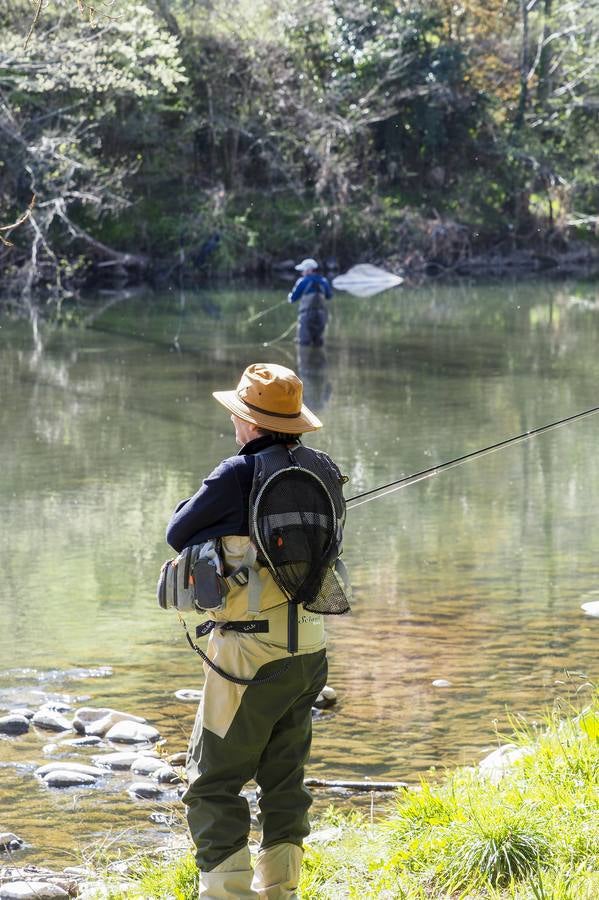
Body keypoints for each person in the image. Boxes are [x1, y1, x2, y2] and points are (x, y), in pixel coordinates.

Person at [165, 363, 347, 899]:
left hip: (249, 654)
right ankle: (280, 891)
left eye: (237, 415)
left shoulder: (235, 473)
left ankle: (227, 894)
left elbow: (179, 531)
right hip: (310, 649)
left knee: (211, 782)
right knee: (284, 777)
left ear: (247, 421)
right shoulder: (326, 471)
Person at [288, 258, 332, 347]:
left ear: (309, 270)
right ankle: (318, 359)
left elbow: (292, 299)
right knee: (318, 343)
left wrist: (289, 296)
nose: (302, 273)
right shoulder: (324, 281)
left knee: (303, 343)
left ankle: (305, 360)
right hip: (321, 316)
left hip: (306, 317)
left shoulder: (302, 281)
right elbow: (329, 296)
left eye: (303, 270)